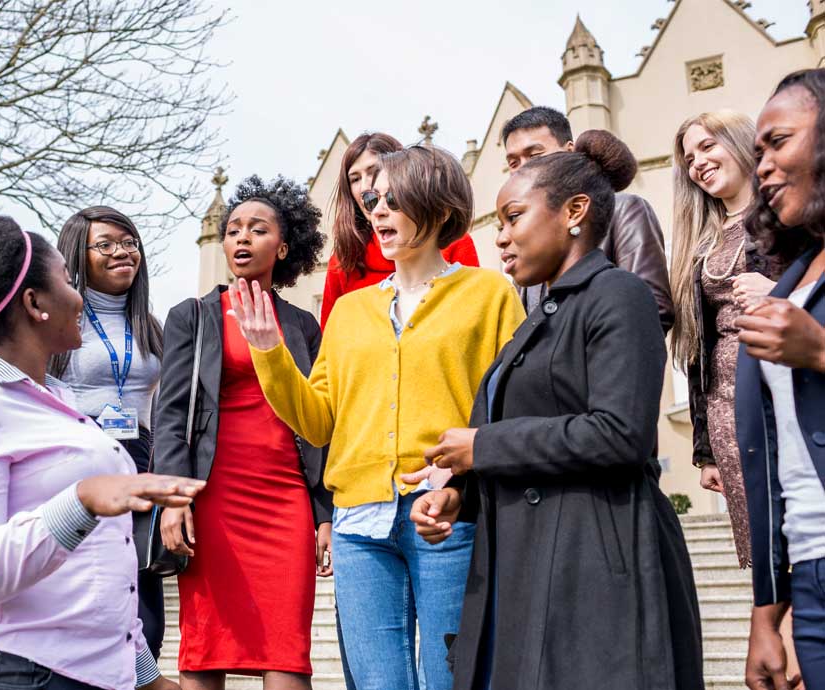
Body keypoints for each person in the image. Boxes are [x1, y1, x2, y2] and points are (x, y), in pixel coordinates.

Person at [412, 131, 704, 690]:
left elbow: (621, 433)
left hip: (593, 561)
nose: (500, 238)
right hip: (520, 564)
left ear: (574, 212)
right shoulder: (537, 319)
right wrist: (458, 494)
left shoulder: (618, 294)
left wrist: (483, 448)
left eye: (513, 217)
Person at [228, 149, 523, 690]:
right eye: (371, 201)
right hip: (359, 524)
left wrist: (463, 478)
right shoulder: (350, 310)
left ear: (436, 206)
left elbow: (511, 409)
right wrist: (270, 352)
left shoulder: (489, 295)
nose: (377, 212)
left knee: (452, 680)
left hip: (446, 515)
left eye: (392, 200)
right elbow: (317, 424)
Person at [0, 215, 202, 690]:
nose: (79, 298)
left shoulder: (64, 406)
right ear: (34, 303)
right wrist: (81, 501)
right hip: (3, 671)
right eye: (69, 283)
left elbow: (94, 574)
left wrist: (147, 678)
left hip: (85, 675)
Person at [154, 175, 332, 690]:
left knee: (287, 651)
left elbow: (321, 420)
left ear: (283, 245)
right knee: (206, 648)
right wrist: (173, 496)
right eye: (233, 229)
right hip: (212, 499)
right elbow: (170, 413)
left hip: (286, 500)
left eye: (257, 229)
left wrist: (324, 512)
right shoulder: (192, 317)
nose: (241, 238)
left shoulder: (303, 325)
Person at [736, 68, 825, 690]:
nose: (761, 164)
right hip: (810, 574)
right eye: (758, 150)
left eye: (779, 141)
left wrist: (821, 351)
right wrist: (768, 615)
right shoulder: (791, 279)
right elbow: (776, 464)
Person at [50, 206, 167, 658]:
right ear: (79, 253)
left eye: (129, 242)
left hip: (139, 463)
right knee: (86, 599)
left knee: (144, 610)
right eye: (106, 244)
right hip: (78, 463)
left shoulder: (153, 326)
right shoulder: (59, 322)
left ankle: (142, 676)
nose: (122, 252)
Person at [671, 111, 781, 568]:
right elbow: (698, 353)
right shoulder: (701, 242)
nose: (698, 162)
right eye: (690, 157)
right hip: (725, 412)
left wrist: (778, 296)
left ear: (740, 141)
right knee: (763, 560)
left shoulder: (789, 214)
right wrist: (705, 451)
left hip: (782, 396)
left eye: (708, 146)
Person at [502, 106, 675, 332]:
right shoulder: (523, 232)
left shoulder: (622, 209)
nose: (524, 168)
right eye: (514, 162)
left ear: (569, 150)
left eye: (535, 155)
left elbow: (653, 308)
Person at [320, 131, 479, 329]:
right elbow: (330, 340)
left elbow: (474, 320)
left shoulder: (454, 244)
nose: (365, 187)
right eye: (354, 179)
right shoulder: (345, 257)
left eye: (374, 171)